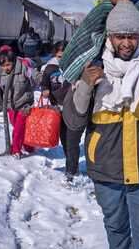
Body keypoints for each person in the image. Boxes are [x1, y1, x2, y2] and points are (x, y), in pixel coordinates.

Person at [63, 0, 139, 248]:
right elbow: (73, 121)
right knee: (116, 233)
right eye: (121, 36)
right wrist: (85, 86)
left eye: (132, 36)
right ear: (110, 36)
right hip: (106, 170)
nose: (127, 43)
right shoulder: (92, 70)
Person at [40, 41, 83, 181]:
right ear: (55, 55)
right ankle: (71, 164)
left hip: (74, 109)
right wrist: (45, 90)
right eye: (59, 57)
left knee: (72, 140)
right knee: (64, 139)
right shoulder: (50, 67)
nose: (62, 59)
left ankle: (72, 171)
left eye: (65, 56)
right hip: (57, 110)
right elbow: (44, 81)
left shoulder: (77, 66)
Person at [0, 46, 36, 158]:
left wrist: (45, 83)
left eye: (8, 65)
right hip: (10, 106)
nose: (6, 68)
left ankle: (16, 151)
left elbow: (35, 75)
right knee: (17, 127)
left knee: (18, 128)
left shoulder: (23, 67)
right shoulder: (0, 73)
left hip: (24, 104)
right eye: (3, 66)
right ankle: (28, 145)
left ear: (13, 60)